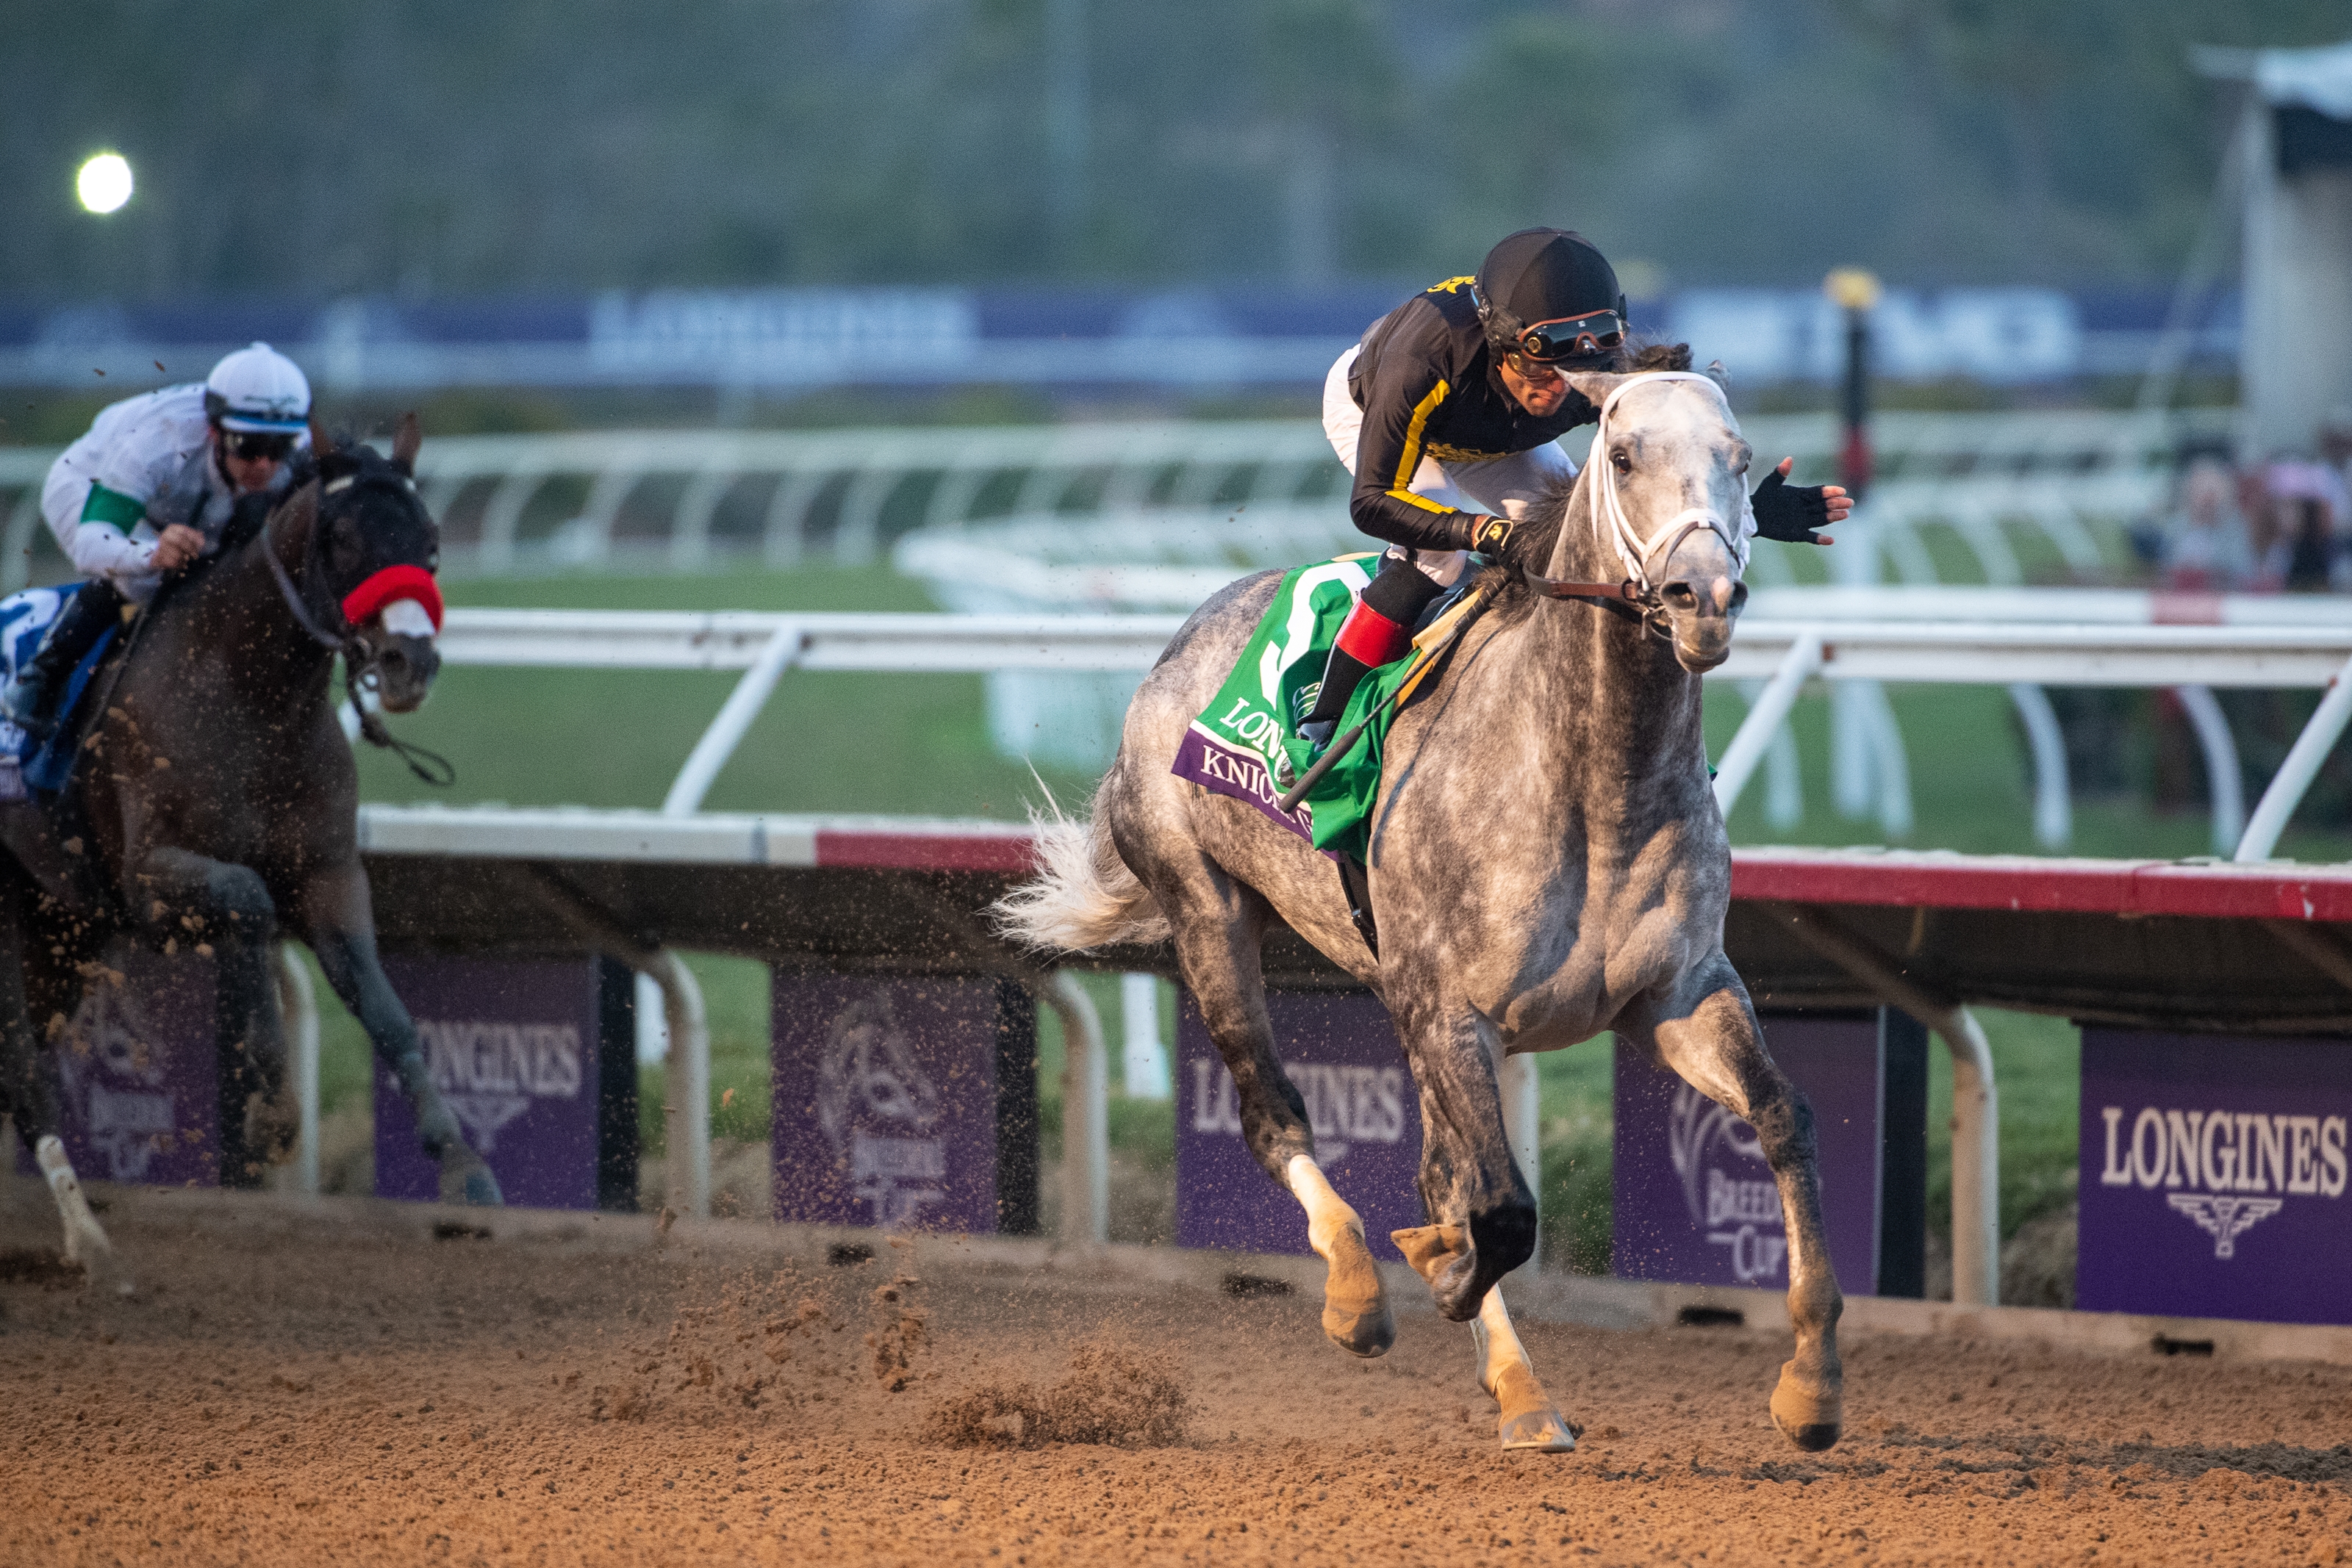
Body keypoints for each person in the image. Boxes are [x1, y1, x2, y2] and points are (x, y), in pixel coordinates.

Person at [1300, 227, 1849, 749]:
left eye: (1581, 364)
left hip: (1497, 438)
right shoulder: (1423, 361)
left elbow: (1667, 467)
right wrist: (1487, 533)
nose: (1560, 386)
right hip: (1377, 411)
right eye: (1541, 362)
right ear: (1500, 342)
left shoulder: (1598, 368)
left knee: (1581, 545)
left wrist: (1746, 514)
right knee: (1439, 560)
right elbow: (1373, 502)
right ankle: (1325, 724)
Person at [7, 342, 311, 740]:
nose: (264, 465)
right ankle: (40, 677)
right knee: (142, 580)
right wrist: (152, 554)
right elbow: (91, 543)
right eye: (248, 447)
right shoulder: (154, 443)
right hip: (88, 480)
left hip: (185, 498)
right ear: (214, 430)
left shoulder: (294, 446)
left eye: (279, 448)